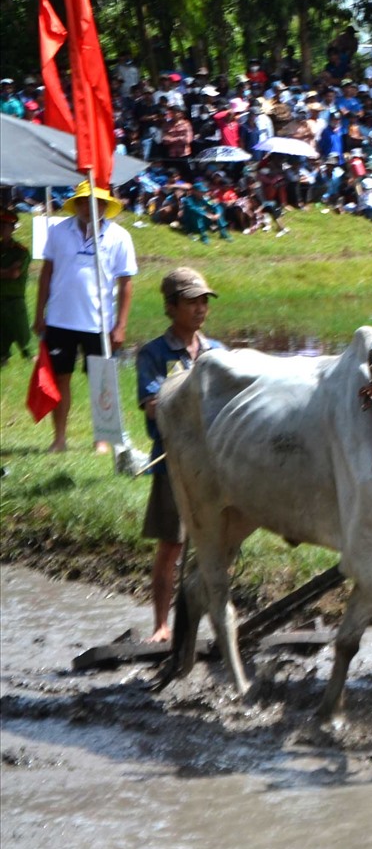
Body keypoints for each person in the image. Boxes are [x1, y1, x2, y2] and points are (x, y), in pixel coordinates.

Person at [135, 268, 224, 645]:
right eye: (192, 301)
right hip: (173, 461)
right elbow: (155, 405)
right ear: (171, 307)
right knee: (171, 546)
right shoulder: (153, 354)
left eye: (204, 300)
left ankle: (217, 623)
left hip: (218, 466)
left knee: (219, 547)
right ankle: (160, 624)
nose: (200, 308)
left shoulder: (218, 352)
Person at [32, 180, 137, 453]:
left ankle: (101, 439)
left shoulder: (119, 237)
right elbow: (46, 274)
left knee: (101, 381)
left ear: (105, 205)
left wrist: (121, 326)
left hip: (99, 323)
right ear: (76, 204)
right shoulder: (58, 232)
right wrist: (39, 313)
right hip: (60, 319)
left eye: (96, 202)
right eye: (83, 201)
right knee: (59, 379)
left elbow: (126, 283)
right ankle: (59, 439)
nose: (89, 207)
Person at [0, 197, 31, 367]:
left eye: (5, 226)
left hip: (14, 302)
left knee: (26, 345)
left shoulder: (21, 251)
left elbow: (14, 273)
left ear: (12, 228)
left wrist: (6, 273)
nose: (2, 229)